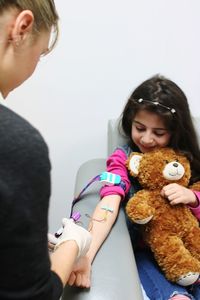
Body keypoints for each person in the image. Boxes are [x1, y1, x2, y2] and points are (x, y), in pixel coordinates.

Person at [64, 75, 200, 299]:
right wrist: (86, 256)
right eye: (140, 128)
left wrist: (192, 198)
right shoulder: (123, 160)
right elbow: (109, 201)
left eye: (158, 133)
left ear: (175, 132)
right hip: (149, 255)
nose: (146, 139)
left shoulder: (188, 162)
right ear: (130, 122)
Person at [0, 1, 92, 300]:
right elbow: (35, 296)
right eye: (40, 54)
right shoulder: (16, 147)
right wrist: (74, 244)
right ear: (22, 28)